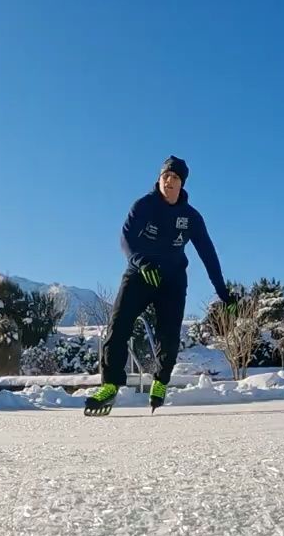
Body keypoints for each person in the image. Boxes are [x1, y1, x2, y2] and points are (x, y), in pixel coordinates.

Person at [85, 155, 234, 416]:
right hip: (139, 275)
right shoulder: (144, 205)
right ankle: (110, 385)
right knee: (119, 325)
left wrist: (223, 292)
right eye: (165, 176)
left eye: (174, 177)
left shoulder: (191, 217)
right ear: (159, 178)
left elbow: (208, 254)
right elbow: (126, 238)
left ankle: (160, 381)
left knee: (169, 333)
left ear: (182, 184)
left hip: (173, 280)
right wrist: (142, 262)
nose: (169, 181)